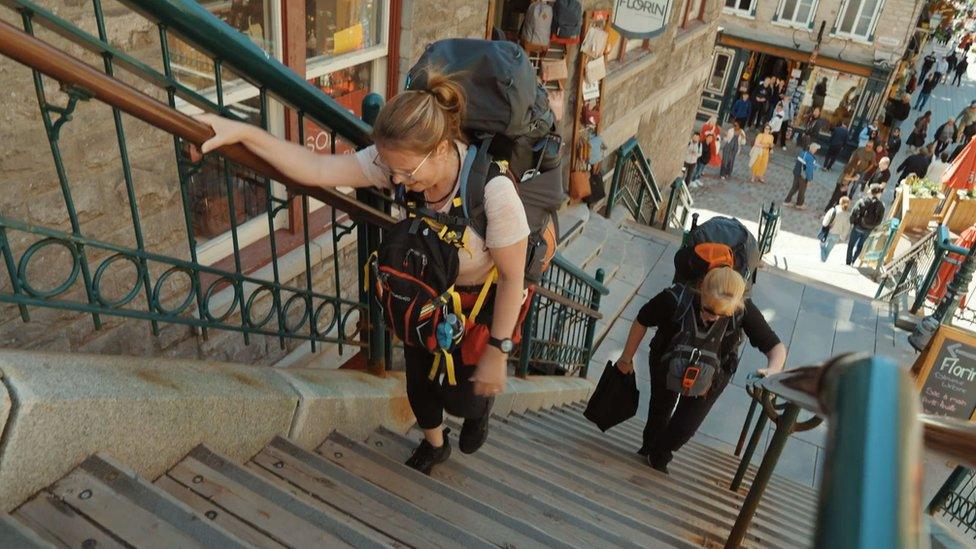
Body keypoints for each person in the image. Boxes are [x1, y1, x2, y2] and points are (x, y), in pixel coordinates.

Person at [193, 73, 528, 473]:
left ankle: (478, 413)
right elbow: (315, 167)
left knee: (464, 397)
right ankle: (435, 444)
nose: (397, 182)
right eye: (390, 170)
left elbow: (512, 279)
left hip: (478, 304)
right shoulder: (397, 163)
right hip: (426, 289)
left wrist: (497, 351)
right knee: (418, 381)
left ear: (440, 149)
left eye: (405, 173)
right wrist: (242, 133)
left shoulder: (492, 193)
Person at [616, 267, 787, 474]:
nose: (711, 318)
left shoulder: (744, 310)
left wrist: (773, 369)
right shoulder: (675, 298)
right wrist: (626, 359)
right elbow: (642, 319)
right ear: (701, 290)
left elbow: (775, 347)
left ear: (736, 305)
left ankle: (658, 453)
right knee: (660, 411)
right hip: (667, 359)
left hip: (713, 373)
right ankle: (651, 455)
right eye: (706, 309)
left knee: (685, 427)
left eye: (722, 313)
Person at [846, 185, 887, 266]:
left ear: (870, 191)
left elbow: (854, 213)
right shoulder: (881, 205)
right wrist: (872, 226)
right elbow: (879, 220)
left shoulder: (863, 201)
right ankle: (853, 261)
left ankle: (848, 262)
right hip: (868, 230)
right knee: (860, 245)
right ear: (878, 193)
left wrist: (852, 223)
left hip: (858, 227)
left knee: (851, 245)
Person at [785, 143, 820, 210]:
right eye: (816, 149)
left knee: (794, 188)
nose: (816, 150)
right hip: (803, 177)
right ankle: (799, 204)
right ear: (813, 149)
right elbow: (809, 170)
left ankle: (787, 201)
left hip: (797, 173)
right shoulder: (810, 158)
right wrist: (809, 179)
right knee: (802, 190)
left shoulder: (802, 153)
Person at [820, 196, 852, 262]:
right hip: (837, 235)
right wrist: (842, 237)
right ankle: (823, 260)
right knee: (828, 250)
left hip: (828, 232)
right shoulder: (847, 215)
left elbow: (825, 223)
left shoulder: (833, 210)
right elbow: (846, 228)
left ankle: (823, 260)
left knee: (822, 246)